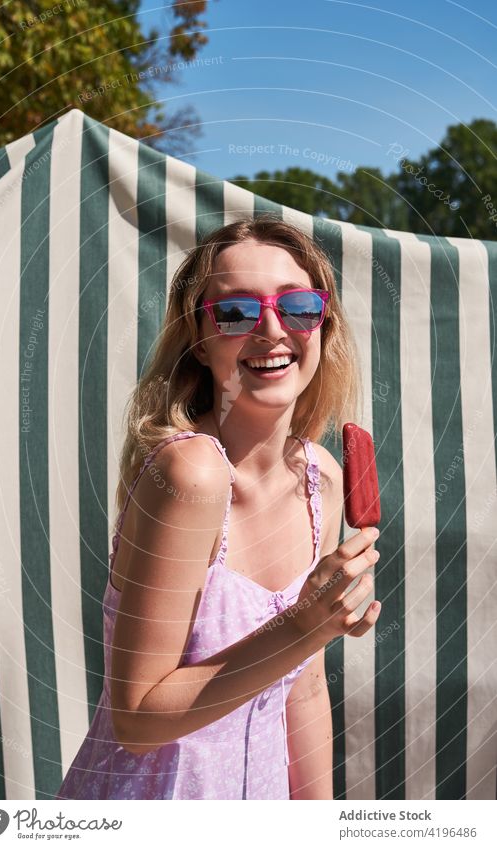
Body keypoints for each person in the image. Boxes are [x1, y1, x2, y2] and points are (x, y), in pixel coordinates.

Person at [55, 213, 381, 801]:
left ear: (323, 323)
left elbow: (301, 689)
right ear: (200, 342)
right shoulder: (192, 473)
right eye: (235, 312)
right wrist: (305, 623)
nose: (272, 330)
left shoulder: (322, 480)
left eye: (299, 305)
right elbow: (137, 720)